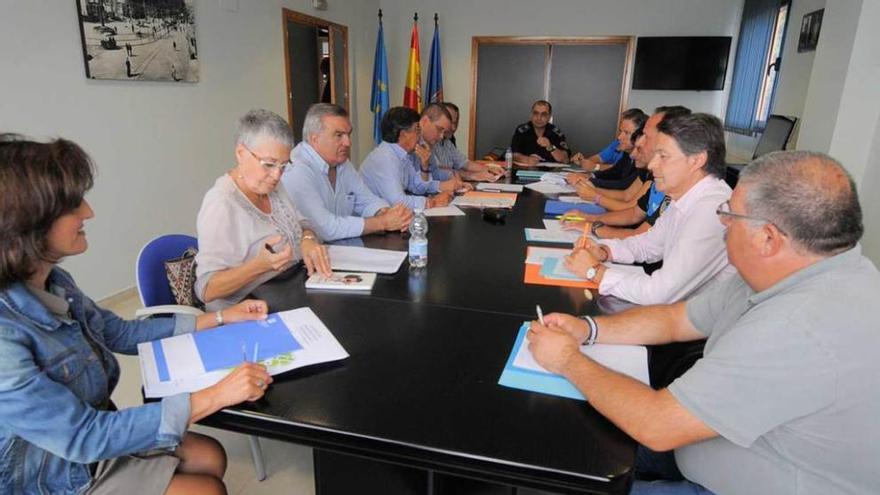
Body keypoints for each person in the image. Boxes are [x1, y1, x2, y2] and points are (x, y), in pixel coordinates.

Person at [527, 151, 879, 495]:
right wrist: (590, 329)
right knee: (570, 445)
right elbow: (676, 319)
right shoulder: (793, 269)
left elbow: (658, 425)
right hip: (703, 446)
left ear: (768, 238)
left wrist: (568, 360)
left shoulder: (799, 326)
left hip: (724, 479)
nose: (722, 223)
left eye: (730, 214)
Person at [0, 134, 274, 495]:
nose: (88, 212)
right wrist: (216, 395)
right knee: (206, 488)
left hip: (93, 434)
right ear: (25, 224)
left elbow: (119, 333)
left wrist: (221, 318)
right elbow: (82, 436)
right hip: (51, 473)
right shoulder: (6, 334)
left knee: (210, 456)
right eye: (72, 205)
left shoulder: (55, 281)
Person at [564, 113, 735, 305]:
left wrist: (594, 271)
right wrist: (604, 251)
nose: (652, 165)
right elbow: (648, 244)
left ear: (696, 160)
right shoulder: (686, 197)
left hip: (702, 325)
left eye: (663, 156)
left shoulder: (712, 210)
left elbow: (660, 293)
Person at [195, 109, 331, 312]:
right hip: (247, 310)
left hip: (288, 289)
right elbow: (206, 289)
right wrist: (259, 266)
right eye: (269, 164)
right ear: (241, 153)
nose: (277, 175)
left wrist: (308, 241)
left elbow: (302, 222)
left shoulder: (272, 186)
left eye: (284, 165)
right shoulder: (222, 203)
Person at [283, 103, 413, 242]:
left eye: (348, 134)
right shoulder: (297, 169)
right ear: (314, 139)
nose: (348, 142)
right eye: (339, 135)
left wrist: (388, 214)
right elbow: (324, 228)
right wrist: (382, 222)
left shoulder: (342, 163)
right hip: (306, 257)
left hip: (341, 250)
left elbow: (367, 200)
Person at [563, 106, 690, 240]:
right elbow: (634, 213)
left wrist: (594, 222)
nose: (639, 143)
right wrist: (591, 218)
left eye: (646, 136)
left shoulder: (681, 188)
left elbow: (642, 236)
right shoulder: (660, 176)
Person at [360, 106, 454, 210]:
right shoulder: (385, 158)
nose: (419, 135)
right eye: (417, 130)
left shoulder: (404, 155)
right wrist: (433, 202)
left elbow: (417, 188)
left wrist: (424, 166)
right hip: (370, 221)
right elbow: (398, 202)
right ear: (403, 134)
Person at [569, 108, 648, 190]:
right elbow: (614, 172)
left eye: (626, 133)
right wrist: (590, 176)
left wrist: (590, 181)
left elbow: (624, 185)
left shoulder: (642, 161)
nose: (619, 137)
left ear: (640, 135)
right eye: (620, 131)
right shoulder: (627, 153)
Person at [431, 102, 505, 182]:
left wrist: (489, 169)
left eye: (455, 123)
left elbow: (465, 163)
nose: (453, 128)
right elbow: (438, 170)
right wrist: (472, 176)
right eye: (450, 122)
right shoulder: (429, 141)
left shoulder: (447, 142)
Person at [412, 103, 468, 191]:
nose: (441, 136)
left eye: (444, 132)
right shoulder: (411, 143)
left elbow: (434, 172)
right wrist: (441, 186)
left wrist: (451, 177)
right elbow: (413, 184)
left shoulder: (428, 143)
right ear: (424, 122)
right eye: (439, 129)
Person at [510, 100, 570, 165]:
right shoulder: (522, 130)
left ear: (549, 117)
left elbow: (565, 158)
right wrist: (526, 159)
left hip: (550, 172)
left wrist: (550, 146)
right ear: (531, 114)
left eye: (543, 114)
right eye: (536, 113)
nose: (539, 118)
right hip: (525, 171)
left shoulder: (555, 132)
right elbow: (513, 154)